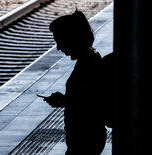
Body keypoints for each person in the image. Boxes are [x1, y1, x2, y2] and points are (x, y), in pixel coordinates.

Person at [43, 10, 107, 155]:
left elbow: (91, 104)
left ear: (72, 38)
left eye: (59, 41)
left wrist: (64, 101)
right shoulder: (89, 59)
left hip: (86, 138)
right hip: (87, 137)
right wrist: (64, 100)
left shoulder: (88, 64)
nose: (58, 47)